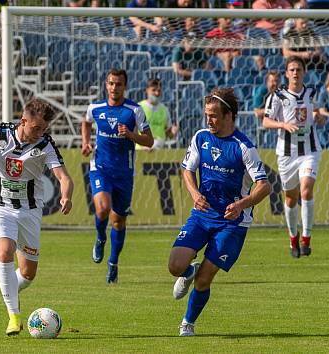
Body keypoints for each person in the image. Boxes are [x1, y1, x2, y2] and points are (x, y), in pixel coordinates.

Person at [0, 98, 74, 336]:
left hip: (29, 211)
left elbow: (64, 178)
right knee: (4, 251)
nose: (39, 132)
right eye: (35, 127)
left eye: (43, 129)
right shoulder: (0, 133)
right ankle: (14, 316)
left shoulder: (45, 144)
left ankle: (8, 289)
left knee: (28, 274)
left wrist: (66, 196)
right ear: (23, 120)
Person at [168, 87, 270, 336]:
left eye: (213, 115)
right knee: (175, 266)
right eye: (207, 115)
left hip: (231, 223)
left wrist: (241, 204)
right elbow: (187, 170)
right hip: (202, 215)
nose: (209, 120)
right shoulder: (201, 137)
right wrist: (194, 194)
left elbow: (264, 185)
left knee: (205, 279)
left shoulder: (243, 147)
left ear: (229, 116)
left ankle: (187, 324)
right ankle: (188, 270)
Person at [82, 69, 154, 284]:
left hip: (124, 172)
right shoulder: (95, 108)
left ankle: (113, 263)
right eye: (111, 83)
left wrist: (132, 135)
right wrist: (85, 142)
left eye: (119, 84)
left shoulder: (134, 111)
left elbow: (149, 141)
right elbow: (85, 122)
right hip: (100, 168)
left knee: (119, 221)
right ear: (106, 84)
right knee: (102, 209)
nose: (114, 88)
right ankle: (100, 238)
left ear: (125, 86)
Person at [262, 56, 322, 259]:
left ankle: (306, 239)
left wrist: (321, 117)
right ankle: (292, 237)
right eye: (292, 69)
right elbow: (266, 122)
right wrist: (283, 125)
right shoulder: (277, 96)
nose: (295, 73)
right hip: (287, 153)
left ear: (304, 72)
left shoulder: (312, 94)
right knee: (291, 197)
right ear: (287, 73)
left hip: (310, 150)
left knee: (306, 190)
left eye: (298, 69)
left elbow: (319, 114)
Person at [138, 78, 178, 150]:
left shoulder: (164, 109)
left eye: (159, 90)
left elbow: (169, 134)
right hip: (141, 150)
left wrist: (173, 132)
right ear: (147, 90)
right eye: (153, 90)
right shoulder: (139, 108)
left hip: (159, 151)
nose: (157, 93)